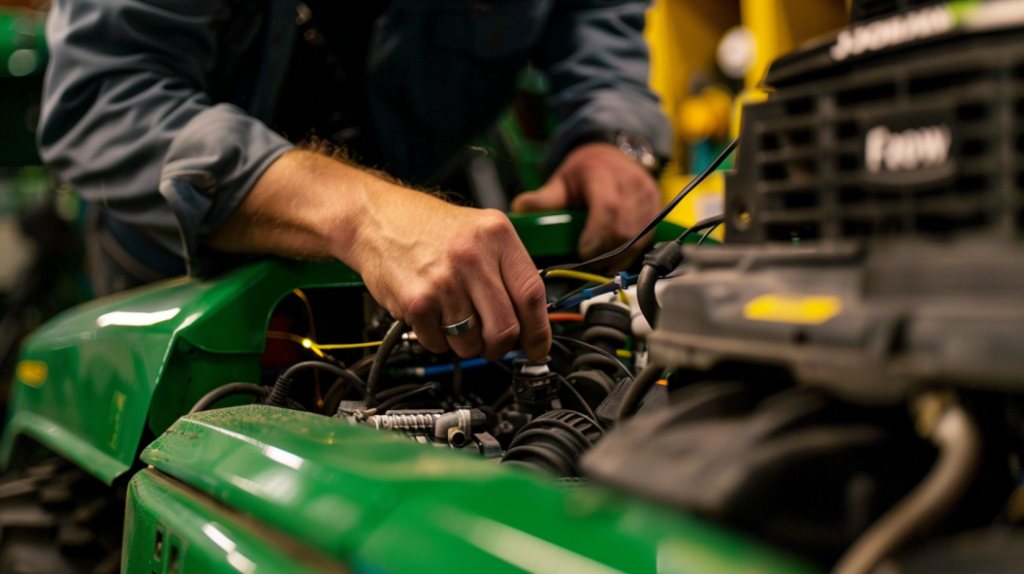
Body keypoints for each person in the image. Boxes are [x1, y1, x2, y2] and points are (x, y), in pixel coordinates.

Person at [38, 0, 671, 363]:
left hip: (426, 255)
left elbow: (593, 18)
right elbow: (103, 98)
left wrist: (612, 140)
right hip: (187, 293)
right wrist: (361, 215)